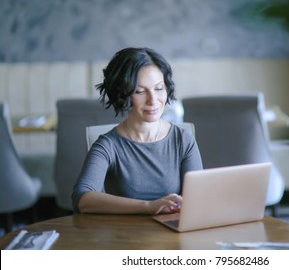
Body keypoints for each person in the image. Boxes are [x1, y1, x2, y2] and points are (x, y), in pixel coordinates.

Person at [72, 47, 203, 215]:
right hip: (126, 237)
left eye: (158, 88)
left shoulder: (183, 140)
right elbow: (81, 198)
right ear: (122, 95)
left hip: (173, 234)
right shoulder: (108, 145)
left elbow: (197, 199)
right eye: (139, 91)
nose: (153, 100)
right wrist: (148, 206)